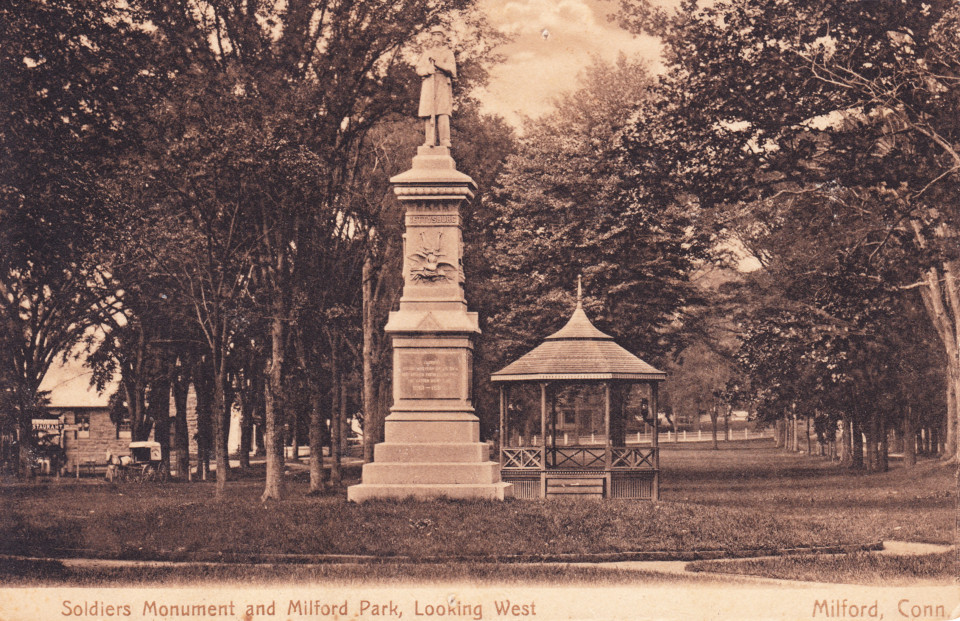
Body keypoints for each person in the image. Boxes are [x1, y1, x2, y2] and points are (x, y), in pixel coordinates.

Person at [417, 29, 456, 147]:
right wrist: (427, 70)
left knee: (443, 111)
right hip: (429, 83)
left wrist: (437, 63)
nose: (436, 37)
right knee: (428, 111)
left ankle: (444, 140)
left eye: (439, 35)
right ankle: (429, 140)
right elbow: (419, 69)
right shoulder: (427, 53)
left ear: (443, 37)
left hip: (442, 83)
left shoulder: (448, 53)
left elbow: (452, 70)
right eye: (434, 35)